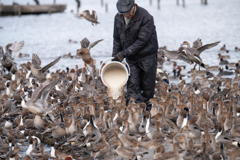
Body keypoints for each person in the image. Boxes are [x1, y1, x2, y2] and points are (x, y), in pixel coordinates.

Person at [112, 0, 158, 111]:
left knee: (147, 88)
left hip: (147, 56)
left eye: (128, 12)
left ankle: (146, 115)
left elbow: (142, 41)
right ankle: (134, 115)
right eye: (123, 13)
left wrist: (124, 53)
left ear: (134, 6)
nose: (126, 14)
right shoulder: (118, 18)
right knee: (132, 87)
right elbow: (117, 40)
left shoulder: (146, 17)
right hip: (131, 58)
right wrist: (114, 59)